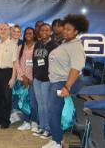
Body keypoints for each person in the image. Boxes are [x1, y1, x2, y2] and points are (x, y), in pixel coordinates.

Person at [42, 14, 89, 148]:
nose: (65, 31)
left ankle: (57, 142)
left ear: (76, 31)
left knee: (53, 112)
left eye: (69, 29)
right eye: (65, 28)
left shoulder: (76, 47)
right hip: (57, 82)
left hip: (63, 83)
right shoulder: (65, 43)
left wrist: (67, 88)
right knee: (53, 112)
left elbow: (76, 69)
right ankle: (58, 140)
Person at [32, 23, 57, 139]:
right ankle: (42, 127)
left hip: (47, 80)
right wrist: (34, 75)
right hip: (37, 79)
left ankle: (48, 129)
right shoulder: (38, 43)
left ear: (51, 32)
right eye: (42, 30)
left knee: (46, 105)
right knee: (40, 104)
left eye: (47, 30)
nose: (44, 32)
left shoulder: (54, 45)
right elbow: (34, 60)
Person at [0, 23, 17, 129]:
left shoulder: (13, 44)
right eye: (0, 29)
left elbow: (15, 63)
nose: (2, 31)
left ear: (9, 31)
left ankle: (6, 120)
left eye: (5, 29)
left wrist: (13, 78)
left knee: (6, 98)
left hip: (7, 73)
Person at [15, 27, 39, 132]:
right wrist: (24, 77)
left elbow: (39, 64)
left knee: (33, 102)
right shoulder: (21, 47)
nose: (28, 34)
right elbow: (17, 63)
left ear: (34, 34)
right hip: (22, 79)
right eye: (26, 33)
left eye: (30, 33)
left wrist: (31, 78)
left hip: (34, 80)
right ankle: (26, 122)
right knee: (24, 101)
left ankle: (34, 122)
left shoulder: (38, 47)